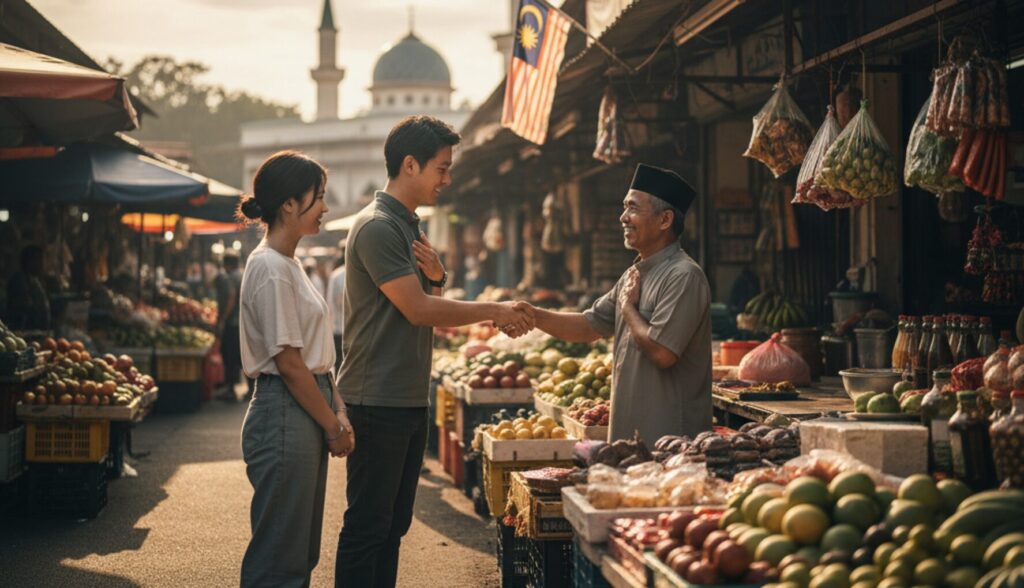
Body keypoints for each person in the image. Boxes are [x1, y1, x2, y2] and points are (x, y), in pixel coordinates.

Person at [334, 115, 532, 588]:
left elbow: (422, 300)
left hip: (404, 396)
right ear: (409, 165)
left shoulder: (408, 228)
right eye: (441, 168)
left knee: (393, 526)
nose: (447, 178)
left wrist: (440, 278)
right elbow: (419, 311)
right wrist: (494, 309)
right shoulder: (379, 227)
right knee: (368, 528)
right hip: (376, 398)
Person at [516, 163, 712, 442]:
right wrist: (533, 315)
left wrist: (628, 308)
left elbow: (662, 353)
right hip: (630, 435)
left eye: (633, 208)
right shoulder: (635, 274)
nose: (623, 217)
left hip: (670, 441)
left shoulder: (683, 276)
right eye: (624, 207)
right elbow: (587, 326)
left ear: (665, 219)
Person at [236, 150, 354, 588]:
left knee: (298, 552)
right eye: (318, 197)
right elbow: (288, 364)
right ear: (289, 203)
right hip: (285, 411)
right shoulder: (269, 267)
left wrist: (336, 409)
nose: (325, 206)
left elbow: (314, 358)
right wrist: (333, 426)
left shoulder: (289, 265)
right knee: (280, 559)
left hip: (304, 406)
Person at [215, 252, 244, 401]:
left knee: (230, 356)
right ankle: (249, 389)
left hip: (233, 322)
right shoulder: (242, 275)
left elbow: (231, 297)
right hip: (242, 322)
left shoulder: (230, 278)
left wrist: (223, 319)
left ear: (228, 264)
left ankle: (231, 390)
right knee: (241, 356)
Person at [6, 245, 51, 330]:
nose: (44, 264)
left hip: (38, 333)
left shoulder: (34, 280)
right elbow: (25, 308)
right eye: (41, 260)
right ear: (32, 261)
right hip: (25, 334)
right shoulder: (19, 280)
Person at [325, 253, 346, 371]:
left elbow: (330, 302)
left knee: (339, 365)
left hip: (338, 328)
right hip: (348, 328)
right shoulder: (360, 272)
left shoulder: (336, 275)